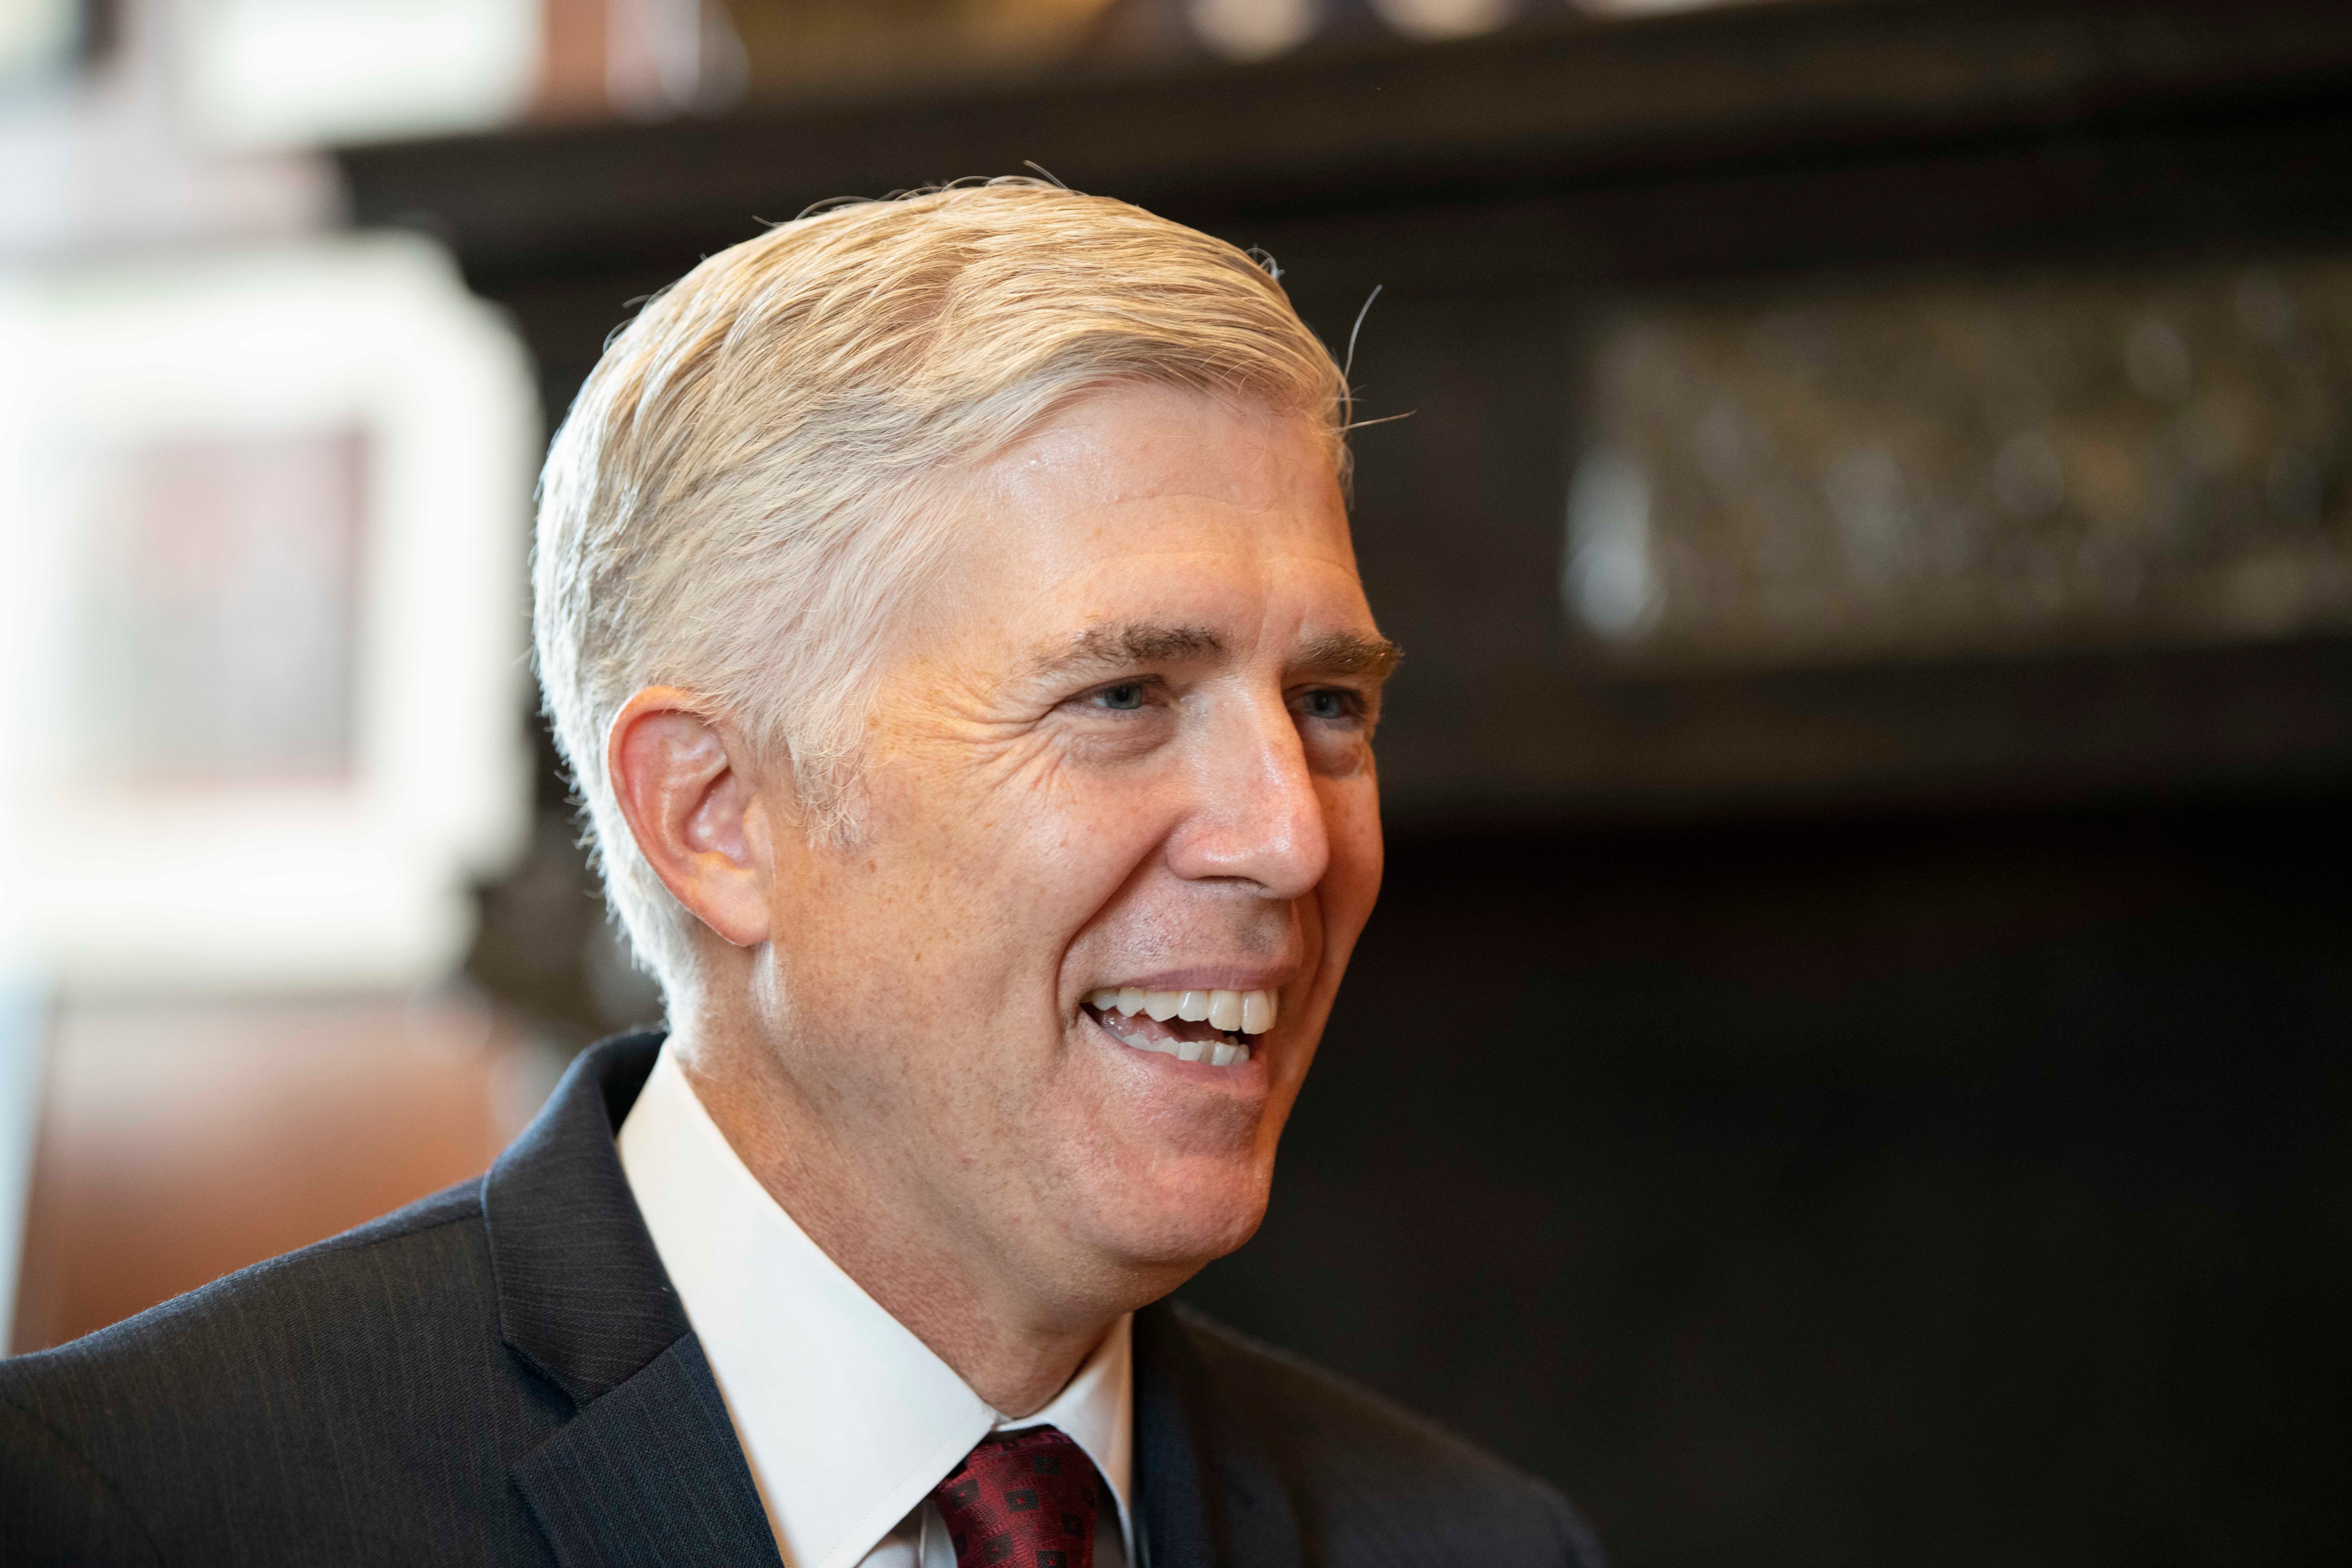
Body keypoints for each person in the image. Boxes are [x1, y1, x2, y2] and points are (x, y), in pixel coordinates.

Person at [0, 180, 1604, 1567]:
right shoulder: (136, 1505)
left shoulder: (1481, 1545)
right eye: (1124, 697)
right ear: (716, 816)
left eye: (1328, 707)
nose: (1293, 836)